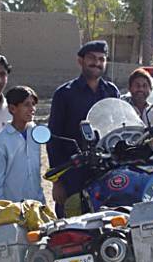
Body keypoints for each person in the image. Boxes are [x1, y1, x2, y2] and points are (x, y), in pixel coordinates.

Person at [47, 40, 120, 216]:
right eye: (92, 58)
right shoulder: (64, 93)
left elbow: (118, 128)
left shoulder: (111, 92)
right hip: (73, 173)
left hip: (105, 171)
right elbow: (53, 138)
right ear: (80, 61)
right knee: (70, 228)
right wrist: (57, 181)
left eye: (102, 59)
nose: (97, 63)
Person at [0, 86, 45, 203]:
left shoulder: (36, 133)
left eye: (33, 104)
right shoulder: (1, 141)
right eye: (26, 105)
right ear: (12, 109)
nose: (32, 109)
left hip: (36, 204)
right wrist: (1, 209)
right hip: (13, 208)